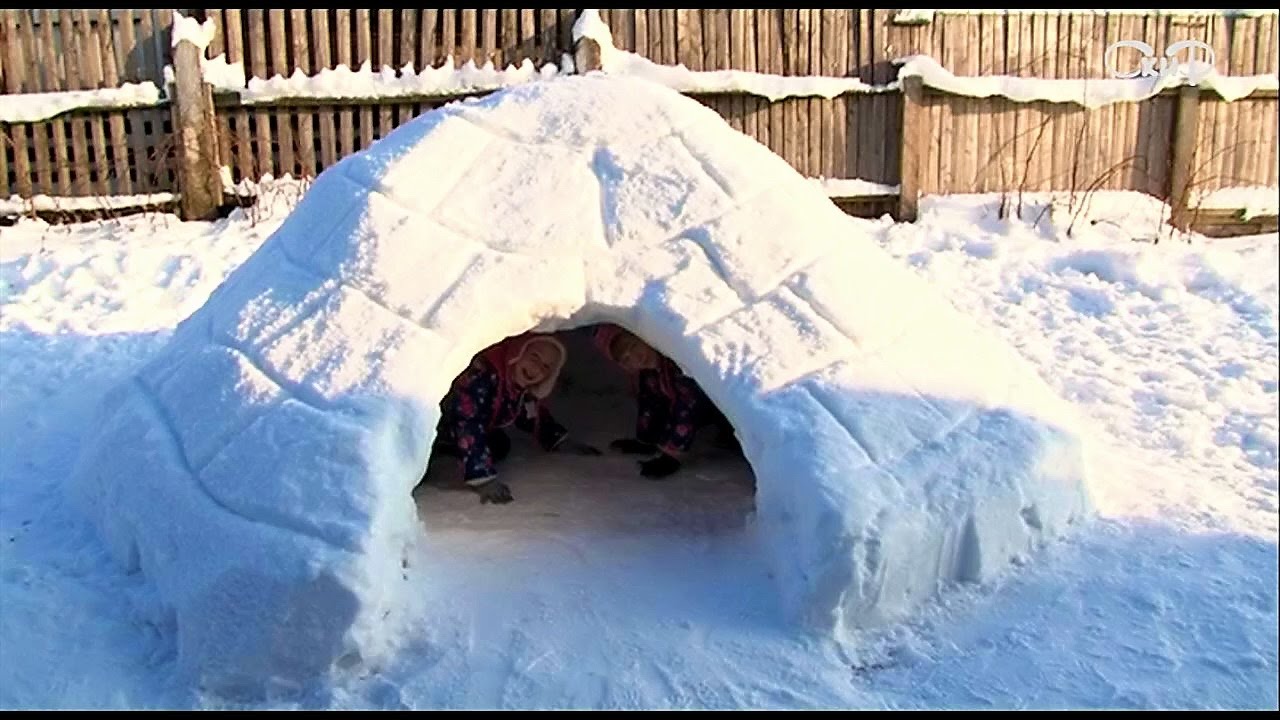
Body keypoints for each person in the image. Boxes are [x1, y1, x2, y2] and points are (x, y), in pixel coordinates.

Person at [433, 333, 600, 504]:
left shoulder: (515, 386)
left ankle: (454, 452)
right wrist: (482, 478)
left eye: (546, 367)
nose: (537, 368)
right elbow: (468, 423)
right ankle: (437, 456)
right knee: (471, 443)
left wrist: (559, 440)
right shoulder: (482, 376)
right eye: (534, 357)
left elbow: (531, 415)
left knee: (499, 444)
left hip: (464, 431)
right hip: (436, 428)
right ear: (518, 352)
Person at [591, 324, 737, 479]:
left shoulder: (678, 362)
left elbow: (688, 407)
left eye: (633, 346)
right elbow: (650, 403)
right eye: (626, 359)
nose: (635, 357)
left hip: (728, 411)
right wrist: (646, 440)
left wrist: (672, 455)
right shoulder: (650, 373)